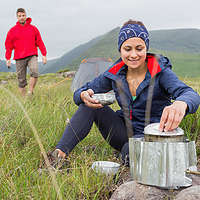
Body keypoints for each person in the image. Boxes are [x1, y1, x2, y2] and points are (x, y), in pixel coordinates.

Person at [47, 19, 200, 168]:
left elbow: (189, 93)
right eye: (128, 49)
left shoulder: (160, 72)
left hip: (154, 135)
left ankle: (127, 156)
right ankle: (58, 156)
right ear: (120, 50)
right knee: (89, 105)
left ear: (146, 48)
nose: (133, 55)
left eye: (139, 48)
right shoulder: (115, 73)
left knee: (128, 152)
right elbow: (81, 91)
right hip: (122, 132)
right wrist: (82, 95)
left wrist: (181, 103)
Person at [5, 8, 47, 96]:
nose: (21, 18)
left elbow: (39, 42)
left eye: (23, 16)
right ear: (17, 17)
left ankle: (30, 92)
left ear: (26, 16)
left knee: (34, 71)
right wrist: (8, 58)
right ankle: (25, 100)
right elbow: (8, 45)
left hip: (32, 55)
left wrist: (44, 54)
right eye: (19, 16)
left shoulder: (33, 29)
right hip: (19, 57)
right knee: (21, 80)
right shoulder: (12, 31)